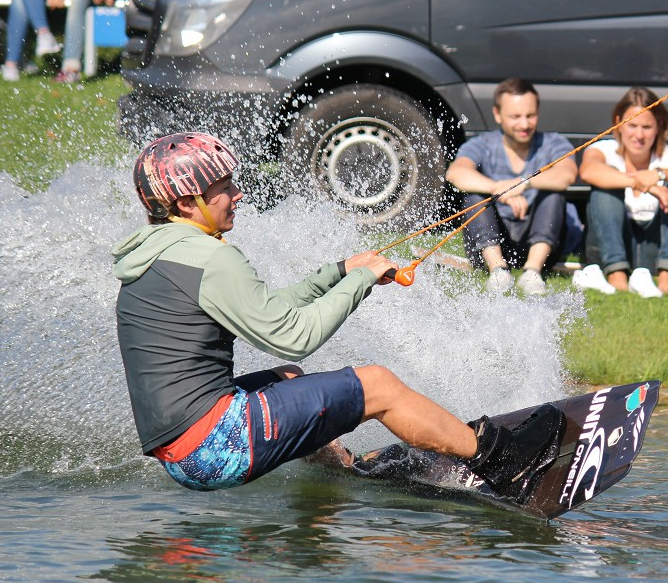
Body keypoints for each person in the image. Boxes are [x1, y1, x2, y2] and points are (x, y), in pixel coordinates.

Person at [113, 132, 558, 499]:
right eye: (224, 188)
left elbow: (271, 310)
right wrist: (362, 282)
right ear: (189, 204)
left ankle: (340, 473)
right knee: (377, 384)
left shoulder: (157, 253)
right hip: (217, 447)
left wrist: (341, 271)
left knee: (288, 378)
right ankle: (504, 459)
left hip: (181, 453)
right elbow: (293, 334)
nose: (237, 193)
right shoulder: (211, 259)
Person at [445, 77, 576, 297]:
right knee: (475, 196)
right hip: (489, 244)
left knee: (554, 195)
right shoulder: (481, 144)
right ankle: (498, 270)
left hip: (541, 244)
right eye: (515, 116)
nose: (524, 124)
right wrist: (500, 189)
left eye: (530, 116)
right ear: (497, 114)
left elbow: (567, 175)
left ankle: (532, 272)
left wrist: (524, 183)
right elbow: (456, 173)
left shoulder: (553, 142)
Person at [578, 86, 668, 297]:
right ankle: (616, 276)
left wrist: (660, 174)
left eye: (647, 127)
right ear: (619, 124)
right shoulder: (604, 150)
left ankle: (667, 277)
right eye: (632, 125)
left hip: (654, 250)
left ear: (659, 127)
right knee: (604, 190)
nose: (639, 135)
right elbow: (588, 171)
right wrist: (639, 183)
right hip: (611, 247)